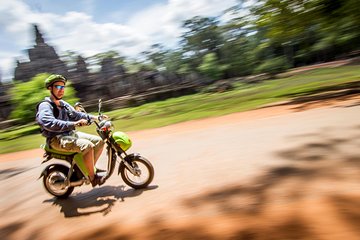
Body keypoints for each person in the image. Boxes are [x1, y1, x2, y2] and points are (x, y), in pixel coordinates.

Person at [36, 74, 105, 187]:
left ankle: (87, 169)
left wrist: (94, 117)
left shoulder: (64, 104)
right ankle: (92, 177)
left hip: (71, 134)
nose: (61, 90)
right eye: (58, 87)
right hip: (57, 139)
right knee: (87, 146)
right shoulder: (45, 106)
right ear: (50, 88)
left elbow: (76, 114)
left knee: (99, 141)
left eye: (63, 87)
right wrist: (73, 124)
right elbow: (49, 122)